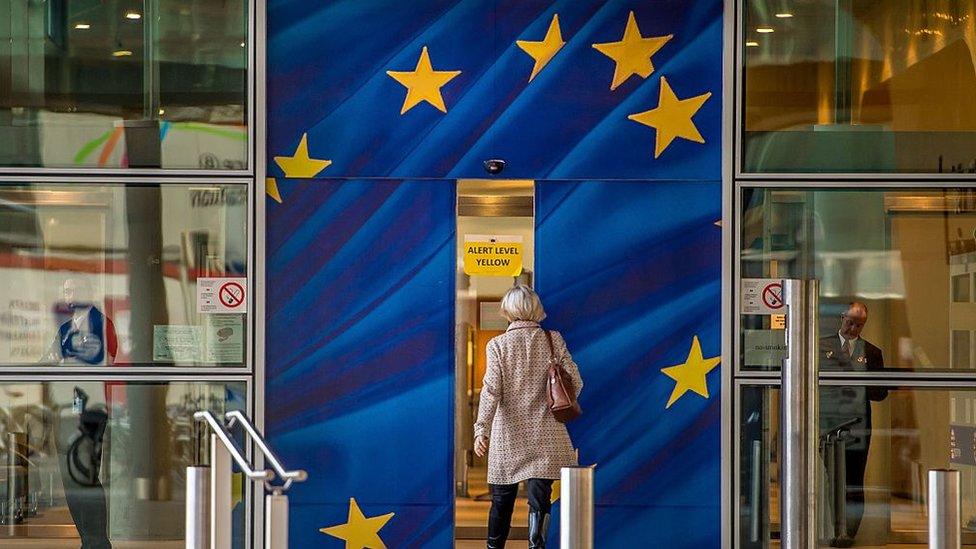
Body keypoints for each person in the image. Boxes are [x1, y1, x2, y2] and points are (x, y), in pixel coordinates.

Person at [474, 284, 582, 549]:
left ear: (507, 311)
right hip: (546, 433)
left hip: (508, 435)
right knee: (540, 500)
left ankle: (494, 546)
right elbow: (576, 382)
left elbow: (491, 392)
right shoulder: (553, 339)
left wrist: (481, 430)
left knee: (502, 499)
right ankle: (537, 546)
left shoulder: (497, 345)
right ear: (536, 309)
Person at [819, 302, 887, 547]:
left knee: (854, 479)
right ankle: (834, 527)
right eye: (850, 322)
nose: (853, 328)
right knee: (832, 478)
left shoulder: (872, 351)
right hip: (827, 424)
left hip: (858, 424)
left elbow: (881, 393)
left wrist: (859, 384)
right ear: (842, 317)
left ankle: (849, 531)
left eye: (859, 324)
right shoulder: (820, 346)